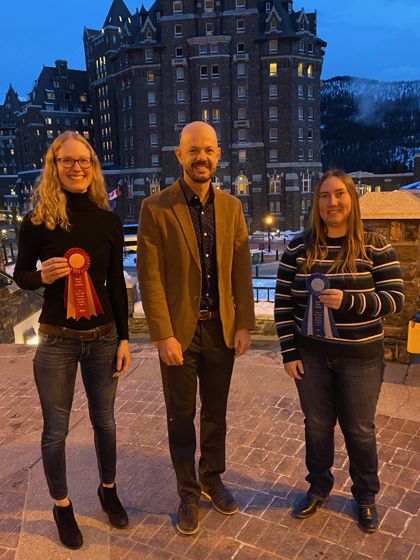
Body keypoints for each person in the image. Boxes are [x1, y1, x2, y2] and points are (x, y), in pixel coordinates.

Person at [14, 131, 130, 549]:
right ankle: (62, 506)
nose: (77, 167)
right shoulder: (37, 222)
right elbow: (20, 274)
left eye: (85, 160)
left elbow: (116, 283)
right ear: (54, 166)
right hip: (56, 341)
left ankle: (109, 490)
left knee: (106, 421)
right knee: (55, 430)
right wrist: (39, 277)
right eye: (68, 161)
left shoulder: (108, 220)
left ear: (93, 167)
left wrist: (124, 338)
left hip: (103, 339)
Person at [138, 121, 255, 535]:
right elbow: (149, 277)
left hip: (221, 330)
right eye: (193, 151)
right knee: (180, 416)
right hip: (178, 335)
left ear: (218, 154)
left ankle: (212, 477)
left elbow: (242, 271)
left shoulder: (232, 208)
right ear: (179, 155)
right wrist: (162, 335)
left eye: (208, 150)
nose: (201, 157)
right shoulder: (156, 208)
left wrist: (244, 324)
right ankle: (188, 491)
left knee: (216, 414)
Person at [275, 169, 404, 533]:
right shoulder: (299, 248)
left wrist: (350, 301)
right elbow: (283, 304)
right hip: (311, 358)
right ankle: (318, 487)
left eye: (340, 194)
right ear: (317, 203)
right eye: (325, 196)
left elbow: (395, 299)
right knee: (316, 426)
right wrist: (289, 352)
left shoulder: (375, 246)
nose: (332, 202)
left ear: (352, 199)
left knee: (359, 429)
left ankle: (365, 495)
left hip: (360, 358)